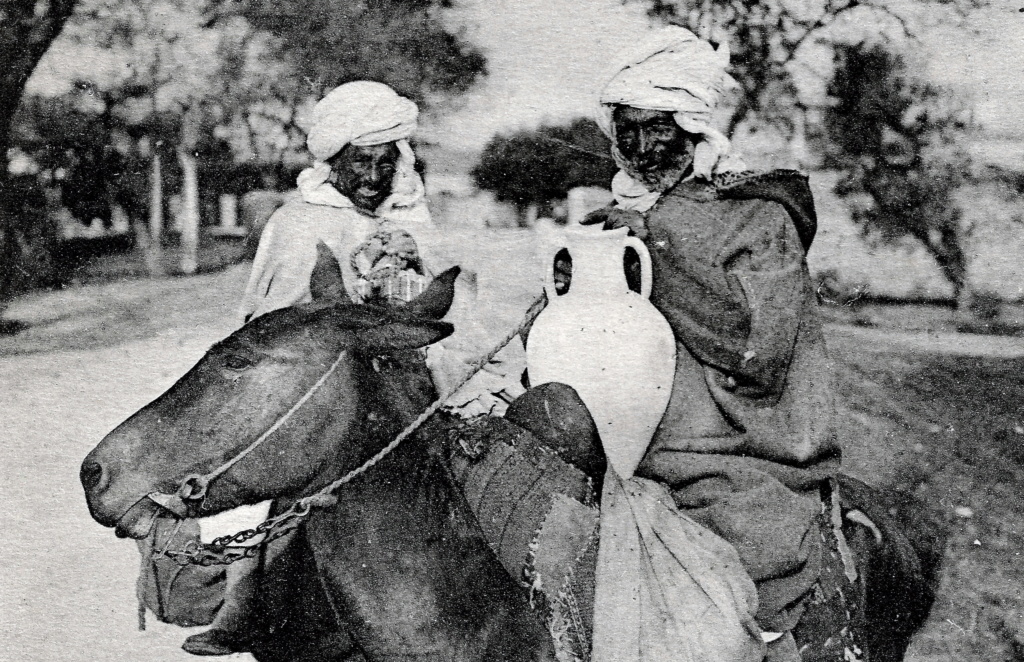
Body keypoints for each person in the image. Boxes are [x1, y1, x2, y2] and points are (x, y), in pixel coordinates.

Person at [182, 81, 524, 656]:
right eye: (358, 163)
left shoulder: (416, 223)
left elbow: (458, 315)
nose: (371, 177)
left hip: (412, 385)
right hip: (328, 394)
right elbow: (273, 325)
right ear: (333, 162)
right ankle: (244, 608)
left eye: (383, 164)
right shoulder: (297, 224)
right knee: (288, 500)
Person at [580, 27, 845, 662]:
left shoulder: (758, 216)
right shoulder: (620, 215)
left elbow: (759, 349)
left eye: (659, 128)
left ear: (692, 126)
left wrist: (655, 251)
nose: (641, 148)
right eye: (627, 130)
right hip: (624, 443)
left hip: (736, 450)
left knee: (746, 582)